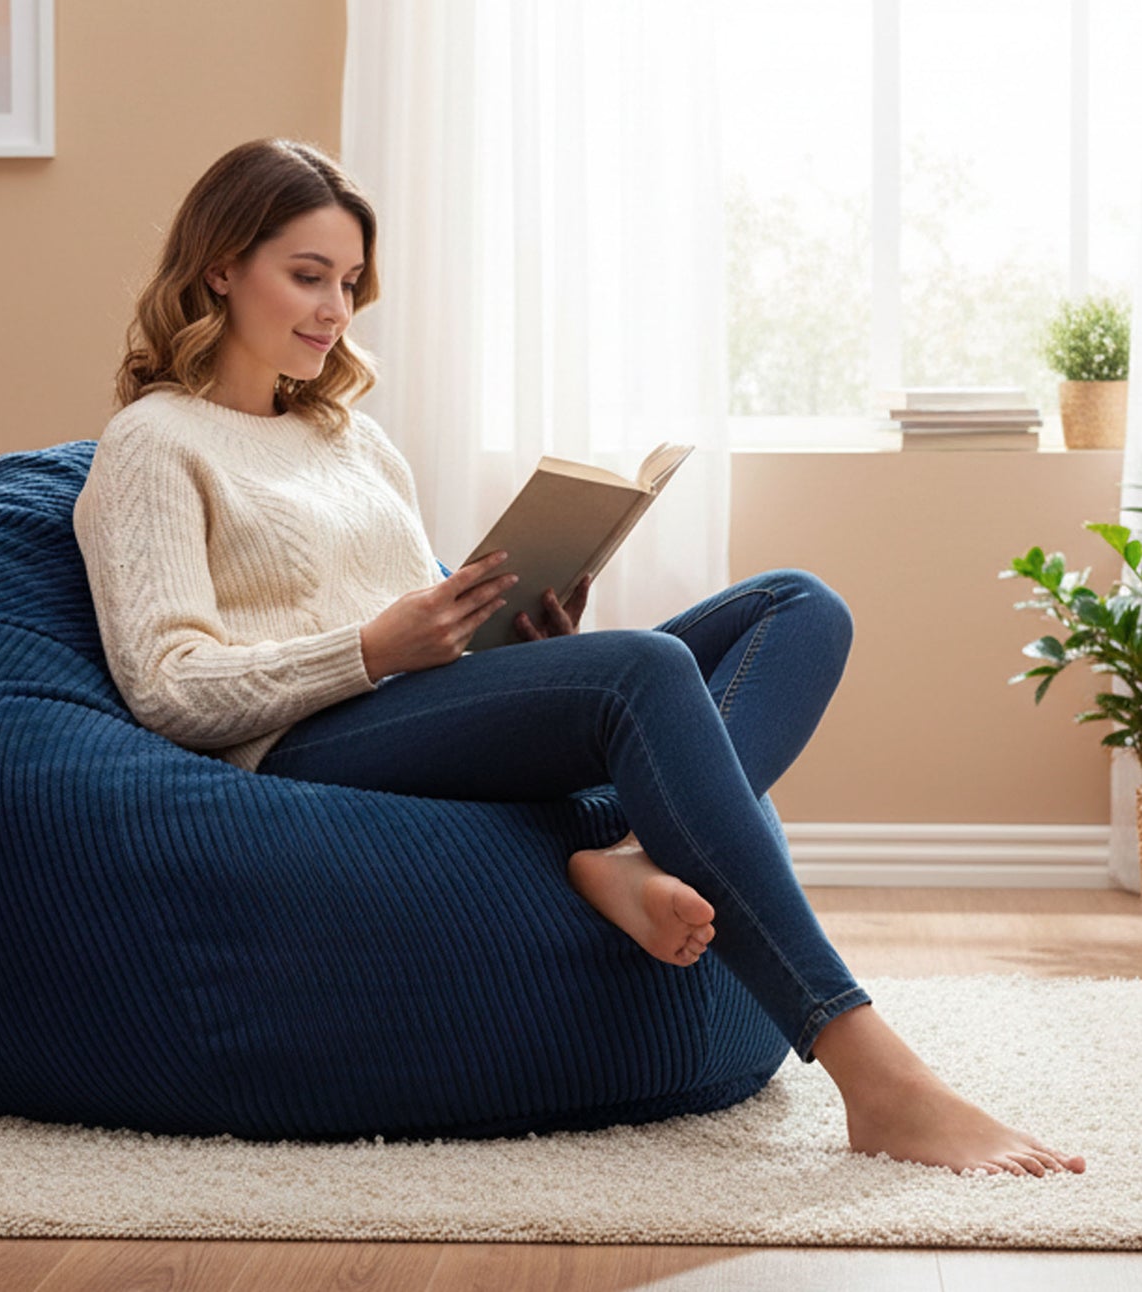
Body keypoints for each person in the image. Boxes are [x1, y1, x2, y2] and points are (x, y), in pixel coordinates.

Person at [73, 137, 1084, 1179]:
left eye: (350, 283)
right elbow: (166, 687)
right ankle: (876, 1075)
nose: (335, 310)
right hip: (299, 746)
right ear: (221, 268)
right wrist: (373, 647)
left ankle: (642, 852)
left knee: (797, 606)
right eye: (307, 276)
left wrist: (521, 641)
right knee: (643, 670)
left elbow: (417, 628)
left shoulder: (352, 439)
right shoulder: (155, 443)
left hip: (407, 704)